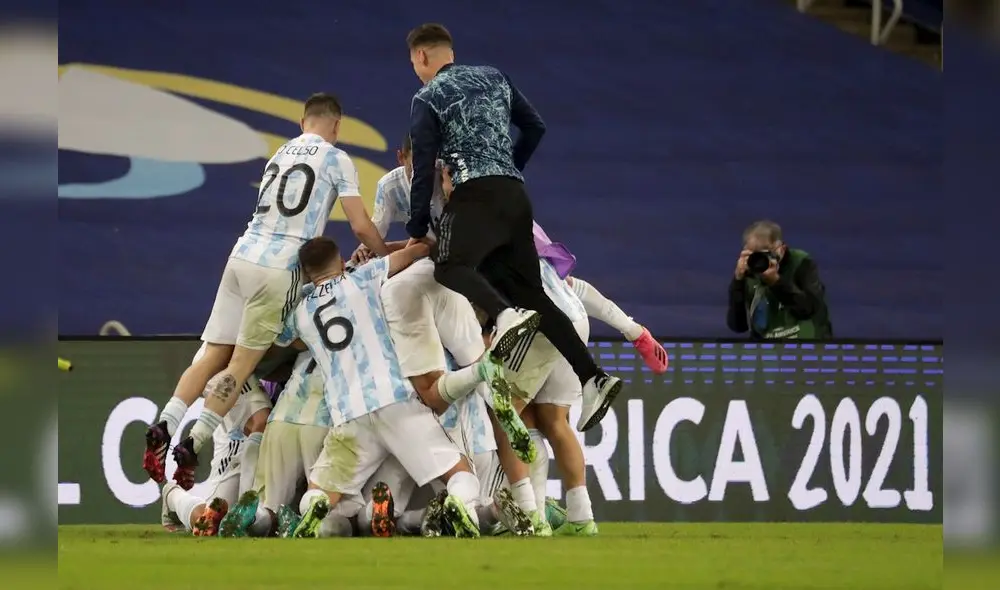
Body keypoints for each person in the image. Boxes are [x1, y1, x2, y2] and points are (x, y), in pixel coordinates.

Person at [143, 93, 390, 488]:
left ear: (301, 121)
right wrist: (380, 256)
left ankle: (166, 421)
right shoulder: (336, 158)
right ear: (337, 126)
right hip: (279, 268)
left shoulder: (279, 155)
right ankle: (194, 441)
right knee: (240, 365)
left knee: (212, 355)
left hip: (240, 255)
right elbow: (360, 225)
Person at [405, 23, 622, 433]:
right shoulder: (494, 76)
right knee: (531, 292)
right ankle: (593, 376)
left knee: (448, 266)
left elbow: (423, 167)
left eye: (414, 64)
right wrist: (507, 169)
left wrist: (417, 223)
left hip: (474, 196)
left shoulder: (427, 96)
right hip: (515, 196)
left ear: (421, 57)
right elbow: (535, 126)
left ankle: (504, 315)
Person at [270, 237, 484, 538]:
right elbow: (417, 253)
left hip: (349, 412)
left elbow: (285, 341)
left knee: (320, 491)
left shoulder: (301, 315)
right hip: (396, 400)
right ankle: (460, 502)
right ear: (341, 261)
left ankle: (314, 507)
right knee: (459, 473)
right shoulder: (365, 277)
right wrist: (412, 243)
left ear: (306, 273)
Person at [727, 220, 833, 340]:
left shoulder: (801, 262)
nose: (760, 260)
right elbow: (737, 326)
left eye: (766, 253)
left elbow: (809, 309)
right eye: (754, 254)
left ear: (781, 249)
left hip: (807, 345)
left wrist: (776, 282)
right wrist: (738, 281)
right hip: (767, 350)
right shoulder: (749, 270)